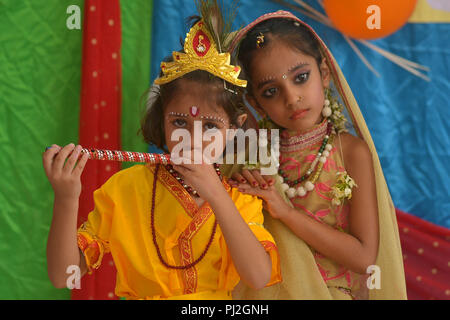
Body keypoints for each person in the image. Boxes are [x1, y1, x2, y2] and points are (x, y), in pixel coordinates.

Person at [43, 11, 281, 300]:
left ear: (234, 128)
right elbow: (63, 276)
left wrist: (217, 194)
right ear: (162, 120)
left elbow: (258, 277)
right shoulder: (125, 188)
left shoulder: (242, 198)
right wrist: (66, 198)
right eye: (180, 123)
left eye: (210, 126)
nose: (193, 140)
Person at [227, 11, 406, 300]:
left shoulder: (350, 152)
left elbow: (363, 257)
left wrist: (284, 212)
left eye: (301, 77)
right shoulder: (254, 156)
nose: (291, 97)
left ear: (324, 74)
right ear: (257, 104)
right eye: (271, 91)